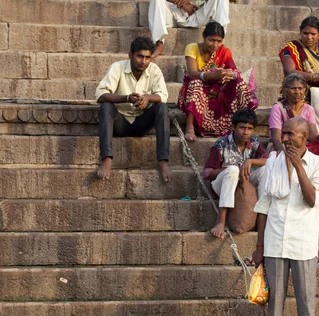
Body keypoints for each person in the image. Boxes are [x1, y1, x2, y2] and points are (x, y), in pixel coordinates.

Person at [251, 117, 319, 316]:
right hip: (274, 242)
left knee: (306, 305)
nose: (284, 138)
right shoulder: (273, 162)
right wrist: (260, 244)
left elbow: (311, 200)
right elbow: (264, 205)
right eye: (283, 133)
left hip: (303, 245)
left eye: (290, 134)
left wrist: (298, 166)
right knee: (275, 305)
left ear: (304, 137)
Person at [95, 36, 170, 182]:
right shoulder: (118, 67)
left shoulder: (154, 70)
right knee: (106, 106)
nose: (143, 61)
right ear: (131, 55)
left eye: (147, 57)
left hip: (141, 123)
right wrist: (127, 98)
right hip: (120, 123)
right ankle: (106, 159)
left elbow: (163, 95)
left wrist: (147, 98)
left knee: (161, 107)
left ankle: (163, 161)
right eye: (139, 56)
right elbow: (100, 94)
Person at [178, 21, 258, 139]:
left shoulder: (224, 52)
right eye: (211, 40)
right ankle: (190, 127)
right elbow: (192, 73)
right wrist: (213, 75)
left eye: (219, 41)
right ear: (204, 37)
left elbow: (235, 71)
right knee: (195, 83)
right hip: (196, 89)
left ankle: (242, 124)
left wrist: (228, 74)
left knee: (239, 83)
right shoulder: (192, 48)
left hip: (217, 88)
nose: (215, 44)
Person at [203, 109, 268, 239]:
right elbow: (207, 172)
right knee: (233, 170)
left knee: (266, 170)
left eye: (250, 128)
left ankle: (263, 218)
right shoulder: (221, 144)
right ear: (233, 127)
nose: (246, 132)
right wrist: (233, 169)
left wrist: (250, 161)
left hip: (245, 183)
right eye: (242, 127)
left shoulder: (254, 141)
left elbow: (267, 159)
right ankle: (221, 220)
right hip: (222, 184)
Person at [147, 0, 235, 59]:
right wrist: (180, 2)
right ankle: (159, 43)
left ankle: (218, 41)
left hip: (197, 13)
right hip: (173, 12)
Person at [268, 73, 319, 157]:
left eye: (300, 88)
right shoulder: (278, 108)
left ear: (304, 90)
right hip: (282, 146)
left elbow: (312, 135)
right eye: (293, 88)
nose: (297, 92)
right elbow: (276, 138)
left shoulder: (309, 109)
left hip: (302, 147)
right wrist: (284, 156)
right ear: (285, 90)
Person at [279, 16, 319, 91]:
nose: (309, 37)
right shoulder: (293, 48)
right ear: (300, 32)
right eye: (305, 33)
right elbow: (289, 72)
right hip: (301, 91)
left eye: (313, 34)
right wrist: (315, 76)